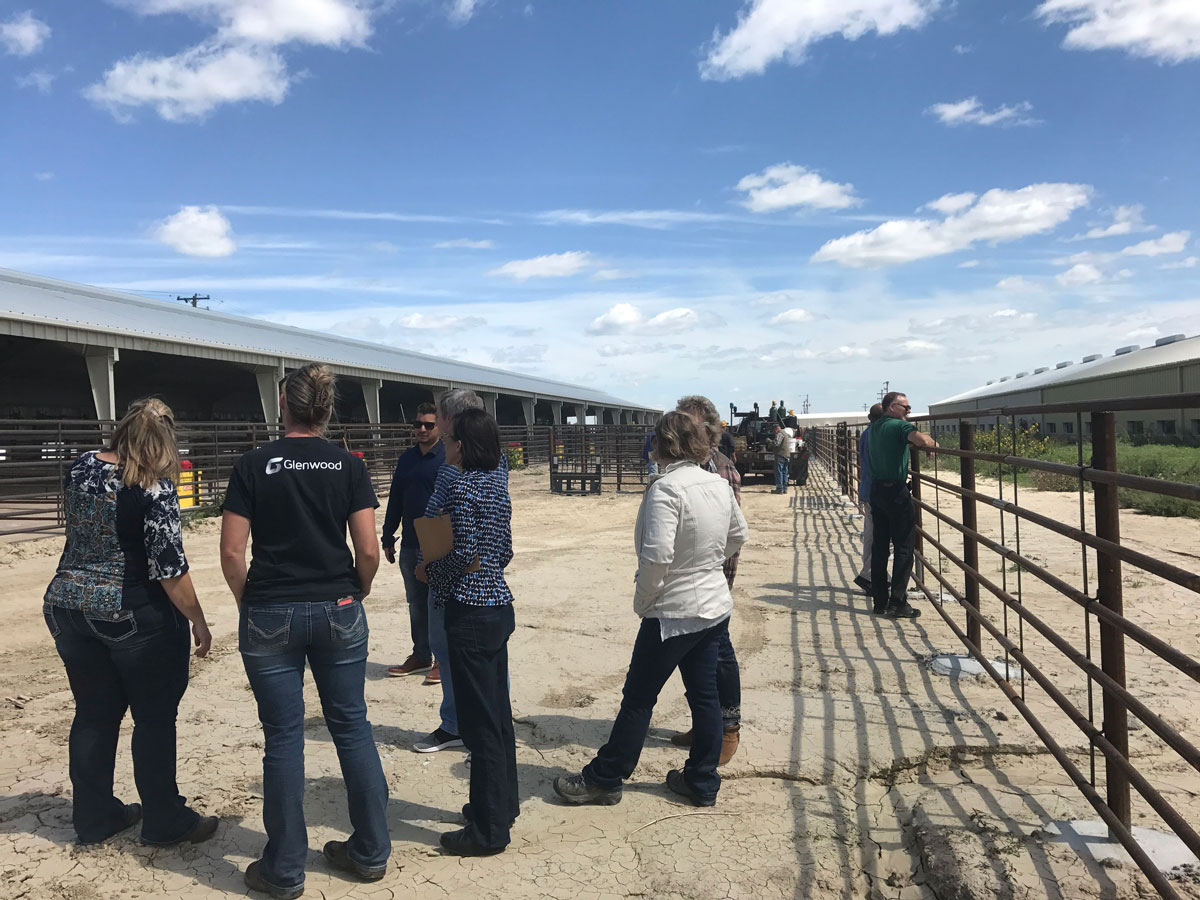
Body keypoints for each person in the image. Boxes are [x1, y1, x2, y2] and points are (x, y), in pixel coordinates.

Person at [221, 363, 390, 899]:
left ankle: (285, 868)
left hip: (271, 608)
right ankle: (370, 850)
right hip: (336, 605)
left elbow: (231, 552)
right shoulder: (348, 465)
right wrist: (356, 591)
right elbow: (368, 548)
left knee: (284, 739)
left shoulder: (252, 464)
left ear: (284, 405)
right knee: (352, 727)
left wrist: (251, 601)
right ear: (325, 409)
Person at [42, 398, 218, 847]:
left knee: (94, 716)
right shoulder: (154, 488)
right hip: (128, 611)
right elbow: (169, 567)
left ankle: (95, 817)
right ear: (165, 439)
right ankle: (165, 820)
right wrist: (197, 619)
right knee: (155, 719)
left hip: (67, 603)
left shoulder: (81, 468)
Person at [553, 412, 748, 809]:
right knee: (705, 695)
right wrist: (707, 564)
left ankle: (605, 777)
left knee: (639, 696)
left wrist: (645, 599)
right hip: (712, 605)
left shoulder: (666, 488)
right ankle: (701, 779)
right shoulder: (716, 482)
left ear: (662, 443)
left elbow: (656, 556)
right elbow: (738, 535)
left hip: (673, 609)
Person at [425, 408, 519, 856]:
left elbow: (458, 552)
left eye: (447, 439)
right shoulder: (498, 487)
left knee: (478, 723)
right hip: (498, 602)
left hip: (471, 608)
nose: (443, 443)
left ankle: (487, 829)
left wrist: (431, 572)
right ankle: (501, 805)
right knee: (497, 713)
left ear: (461, 444)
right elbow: (505, 551)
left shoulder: (460, 487)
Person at [408, 387, 493, 755]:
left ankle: (458, 723)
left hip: (452, 571)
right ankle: (479, 722)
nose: (436, 426)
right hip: (473, 573)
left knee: (449, 645)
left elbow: (460, 532)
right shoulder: (487, 462)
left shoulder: (461, 468)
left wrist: (432, 564)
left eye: (440, 418)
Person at [670, 395, 743, 765]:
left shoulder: (718, 469)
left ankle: (728, 727)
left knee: (720, 654)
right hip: (692, 579)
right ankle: (708, 724)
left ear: (707, 430)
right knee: (698, 657)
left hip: (709, 578)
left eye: (687, 423)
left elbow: (731, 532)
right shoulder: (686, 465)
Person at [382, 402, 445, 681]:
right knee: (416, 603)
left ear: (439, 426)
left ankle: (443, 659)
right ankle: (421, 655)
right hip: (409, 539)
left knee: (439, 602)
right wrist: (387, 534)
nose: (421, 429)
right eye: (417, 424)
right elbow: (395, 499)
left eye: (428, 425)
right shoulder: (406, 459)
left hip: (437, 537)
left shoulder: (448, 456)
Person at [868, 391, 938, 619]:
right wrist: (930, 442)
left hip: (876, 490)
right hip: (895, 491)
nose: (908, 411)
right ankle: (898, 601)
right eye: (905, 407)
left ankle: (879, 600)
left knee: (879, 547)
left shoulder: (875, 428)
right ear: (892, 408)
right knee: (904, 547)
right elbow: (923, 440)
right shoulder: (899, 427)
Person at [853, 404, 884, 596]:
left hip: (868, 489)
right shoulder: (877, 435)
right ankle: (868, 576)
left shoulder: (866, 433)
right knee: (882, 538)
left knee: (871, 535)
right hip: (877, 490)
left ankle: (871, 575)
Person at [770, 423, 793, 494]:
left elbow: (776, 444)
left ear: (776, 429)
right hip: (786, 455)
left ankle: (779, 488)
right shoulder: (785, 433)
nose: (774, 433)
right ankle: (785, 488)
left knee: (779, 472)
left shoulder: (780, 434)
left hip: (780, 455)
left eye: (773, 431)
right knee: (784, 472)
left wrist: (770, 442)